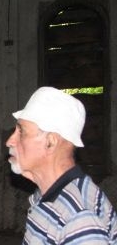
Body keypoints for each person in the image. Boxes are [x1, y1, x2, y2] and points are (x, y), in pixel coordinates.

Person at [6, 86, 117, 244]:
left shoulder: (79, 219)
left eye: (21, 131)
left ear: (50, 142)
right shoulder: (47, 195)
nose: (9, 141)